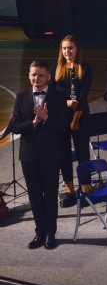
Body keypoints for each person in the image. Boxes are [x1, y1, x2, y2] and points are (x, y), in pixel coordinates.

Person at [10, 61, 69, 250]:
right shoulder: (21, 97)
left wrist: (46, 118)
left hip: (51, 155)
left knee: (50, 195)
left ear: (48, 77)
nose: (36, 78)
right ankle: (39, 232)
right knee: (35, 196)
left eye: (41, 75)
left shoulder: (59, 97)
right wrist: (34, 123)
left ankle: (51, 233)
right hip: (29, 156)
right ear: (29, 76)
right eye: (33, 74)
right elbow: (15, 126)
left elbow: (63, 127)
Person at [49, 35, 93, 208]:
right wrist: (65, 103)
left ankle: (86, 189)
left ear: (77, 49)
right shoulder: (56, 67)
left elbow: (83, 95)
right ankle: (70, 191)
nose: (67, 51)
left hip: (79, 115)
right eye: (64, 48)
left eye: (71, 48)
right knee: (63, 154)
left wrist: (76, 118)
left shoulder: (85, 68)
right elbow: (50, 94)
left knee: (83, 153)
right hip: (61, 116)